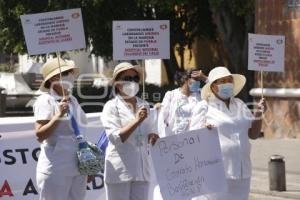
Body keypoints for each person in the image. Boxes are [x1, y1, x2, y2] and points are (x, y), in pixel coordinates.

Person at [191, 66, 267, 200]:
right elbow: (193, 139)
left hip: (242, 174)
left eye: (229, 80)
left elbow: (253, 135)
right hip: (217, 174)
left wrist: (259, 114)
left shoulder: (240, 104)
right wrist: (203, 130)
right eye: (222, 81)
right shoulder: (204, 107)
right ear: (213, 86)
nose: (227, 83)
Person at [101, 62, 159, 200]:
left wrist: (153, 136)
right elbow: (115, 137)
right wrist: (137, 120)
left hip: (142, 170)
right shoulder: (111, 107)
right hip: (120, 172)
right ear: (117, 84)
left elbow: (150, 132)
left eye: (135, 79)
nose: (132, 82)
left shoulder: (144, 105)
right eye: (127, 79)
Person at [33, 58, 88, 200]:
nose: (71, 75)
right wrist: (59, 115)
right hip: (56, 167)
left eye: (70, 72)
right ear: (53, 79)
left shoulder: (73, 99)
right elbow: (40, 135)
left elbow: (80, 131)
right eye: (66, 73)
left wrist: (87, 165)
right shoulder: (45, 100)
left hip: (78, 165)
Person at [157, 68, 207, 137]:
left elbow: (214, 90)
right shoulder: (171, 95)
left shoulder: (201, 94)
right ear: (187, 79)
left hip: (195, 140)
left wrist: (205, 78)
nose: (198, 82)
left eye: (199, 80)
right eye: (196, 79)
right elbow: (162, 117)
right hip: (174, 141)